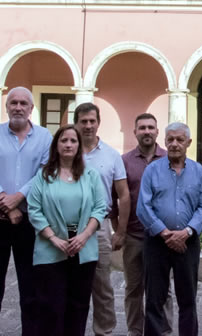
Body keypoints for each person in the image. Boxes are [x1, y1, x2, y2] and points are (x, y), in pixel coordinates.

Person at [0, 86, 52, 336]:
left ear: (31, 109)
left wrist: (18, 198)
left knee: (31, 286)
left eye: (23, 103)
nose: (18, 107)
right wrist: (4, 202)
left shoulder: (44, 138)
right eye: (13, 103)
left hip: (30, 222)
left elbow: (44, 172)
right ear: (6, 107)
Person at [27, 124, 108, 336]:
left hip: (83, 247)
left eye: (73, 140)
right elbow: (34, 210)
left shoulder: (90, 175)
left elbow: (100, 208)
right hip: (51, 248)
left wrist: (84, 236)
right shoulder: (43, 175)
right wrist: (53, 238)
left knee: (78, 306)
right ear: (56, 145)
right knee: (50, 307)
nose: (69, 144)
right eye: (64, 140)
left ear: (79, 145)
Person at [136, 122, 202, 336]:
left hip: (188, 242)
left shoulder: (198, 171)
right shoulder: (152, 170)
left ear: (188, 142)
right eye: (170, 139)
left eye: (179, 140)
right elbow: (143, 206)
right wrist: (164, 232)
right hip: (157, 242)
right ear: (165, 141)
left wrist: (186, 232)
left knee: (188, 298)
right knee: (154, 299)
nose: (174, 144)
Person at [73, 102, 129, 336]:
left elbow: (124, 195)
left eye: (92, 121)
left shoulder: (111, 155)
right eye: (83, 121)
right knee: (71, 284)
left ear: (98, 123)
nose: (88, 126)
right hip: (68, 226)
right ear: (76, 123)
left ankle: (104, 331)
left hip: (100, 228)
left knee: (102, 285)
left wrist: (121, 232)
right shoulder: (65, 150)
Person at [121, 113, 174, 336]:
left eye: (151, 127)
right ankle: (135, 330)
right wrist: (118, 229)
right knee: (133, 288)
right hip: (134, 235)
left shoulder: (169, 158)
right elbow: (119, 196)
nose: (147, 131)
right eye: (142, 127)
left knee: (163, 289)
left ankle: (164, 330)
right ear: (135, 132)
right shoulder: (124, 161)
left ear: (157, 131)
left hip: (162, 236)